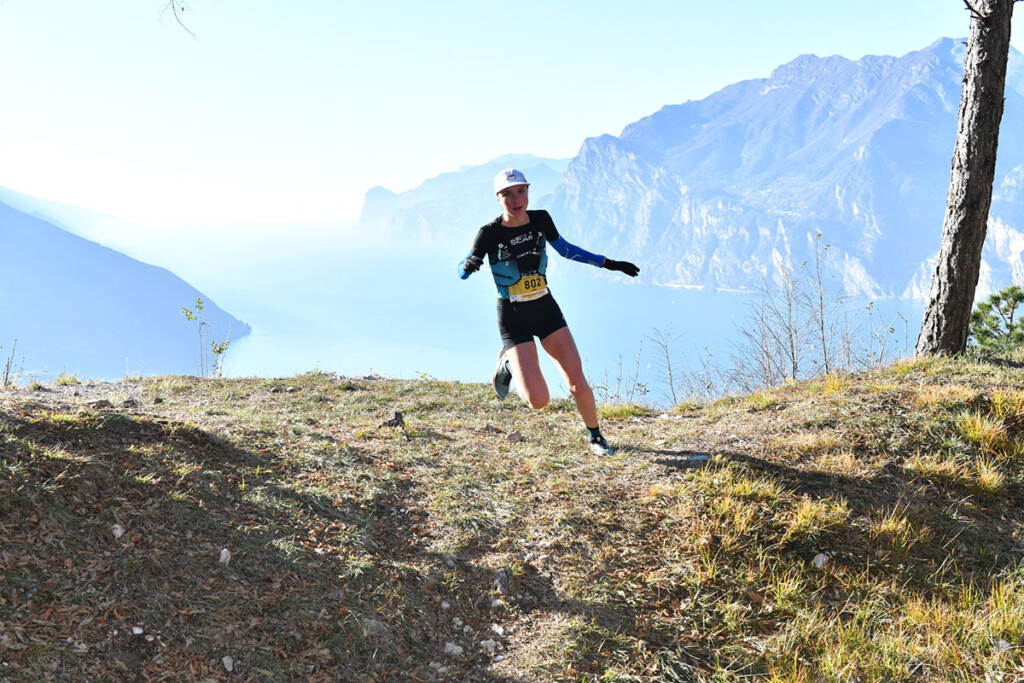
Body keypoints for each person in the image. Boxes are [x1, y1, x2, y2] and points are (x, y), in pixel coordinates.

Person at [457, 168, 640, 455]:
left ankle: (595, 437)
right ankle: (508, 364)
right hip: (513, 316)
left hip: (546, 309)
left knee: (577, 380)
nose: (516, 199)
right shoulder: (489, 233)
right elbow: (462, 270)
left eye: (521, 191)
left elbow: (566, 250)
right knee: (539, 400)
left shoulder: (541, 219)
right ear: (498, 198)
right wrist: (466, 267)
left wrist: (610, 263)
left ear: (528, 192)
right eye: (507, 194)